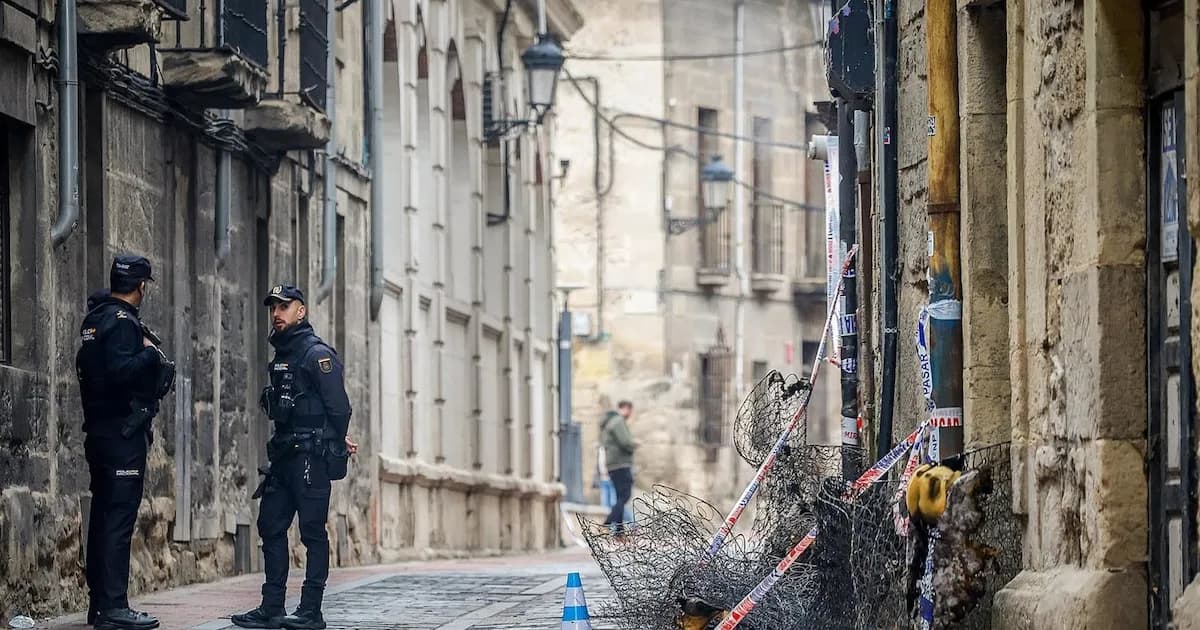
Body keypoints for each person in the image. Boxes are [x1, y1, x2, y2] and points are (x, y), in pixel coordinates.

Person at [232, 285, 356, 630]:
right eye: (273, 307)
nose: (277, 313)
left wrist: (333, 438)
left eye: (284, 307)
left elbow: (340, 408)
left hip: (310, 459)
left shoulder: (317, 355)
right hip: (284, 457)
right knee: (270, 526)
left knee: (312, 533)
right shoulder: (283, 354)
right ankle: (271, 607)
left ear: (300, 311)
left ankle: (310, 611)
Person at [76, 255, 174, 630]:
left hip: (100, 432)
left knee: (103, 517)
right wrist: (149, 354)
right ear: (142, 286)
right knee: (117, 520)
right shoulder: (121, 323)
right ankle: (114, 606)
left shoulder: (96, 318)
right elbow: (119, 373)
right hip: (121, 434)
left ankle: (100, 604)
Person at [600, 400, 637, 535]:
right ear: (625, 409)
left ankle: (619, 532)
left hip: (612, 464)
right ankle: (608, 522)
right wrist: (634, 445)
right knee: (625, 495)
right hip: (620, 463)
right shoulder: (618, 421)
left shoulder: (610, 422)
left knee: (620, 497)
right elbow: (626, 442)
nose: (631, 414)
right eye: (630, 410)